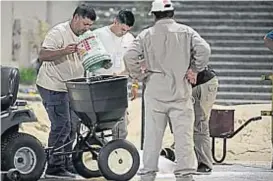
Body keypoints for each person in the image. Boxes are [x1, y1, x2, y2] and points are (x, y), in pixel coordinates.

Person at [123, 0, 211, 180]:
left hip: (155, 92)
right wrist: (194, 69)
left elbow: (129, 55)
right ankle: (185, 175)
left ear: (154, 15)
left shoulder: (146, 34)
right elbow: (204, 49)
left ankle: (148, 175)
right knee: (183, 139)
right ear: (172, 13)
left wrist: (139, 75)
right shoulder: (186, 32)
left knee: (152, 138)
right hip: (180, 92)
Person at [36, 4, 96, 178]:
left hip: (72, 87)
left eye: (90, 25)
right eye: (85, 24)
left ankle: (66, 163)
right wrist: (64, 51)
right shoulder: (58, 32)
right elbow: (43, 55)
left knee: (72, 127)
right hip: (53, 86)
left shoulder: (86, 36)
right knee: (62, 126)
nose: (87, 28)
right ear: (75, 17)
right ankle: (54, 167)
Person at [93, 10, 135, 139]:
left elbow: (133, 63)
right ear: (115, 21)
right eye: (122, 29)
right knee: (100, 123)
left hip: (120, 84)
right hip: (99, 83)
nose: (124, 33)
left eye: (127, 30)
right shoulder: (98, 35)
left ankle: (119, 149)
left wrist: (134, 84)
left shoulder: (130, 39)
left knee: (121, 124)